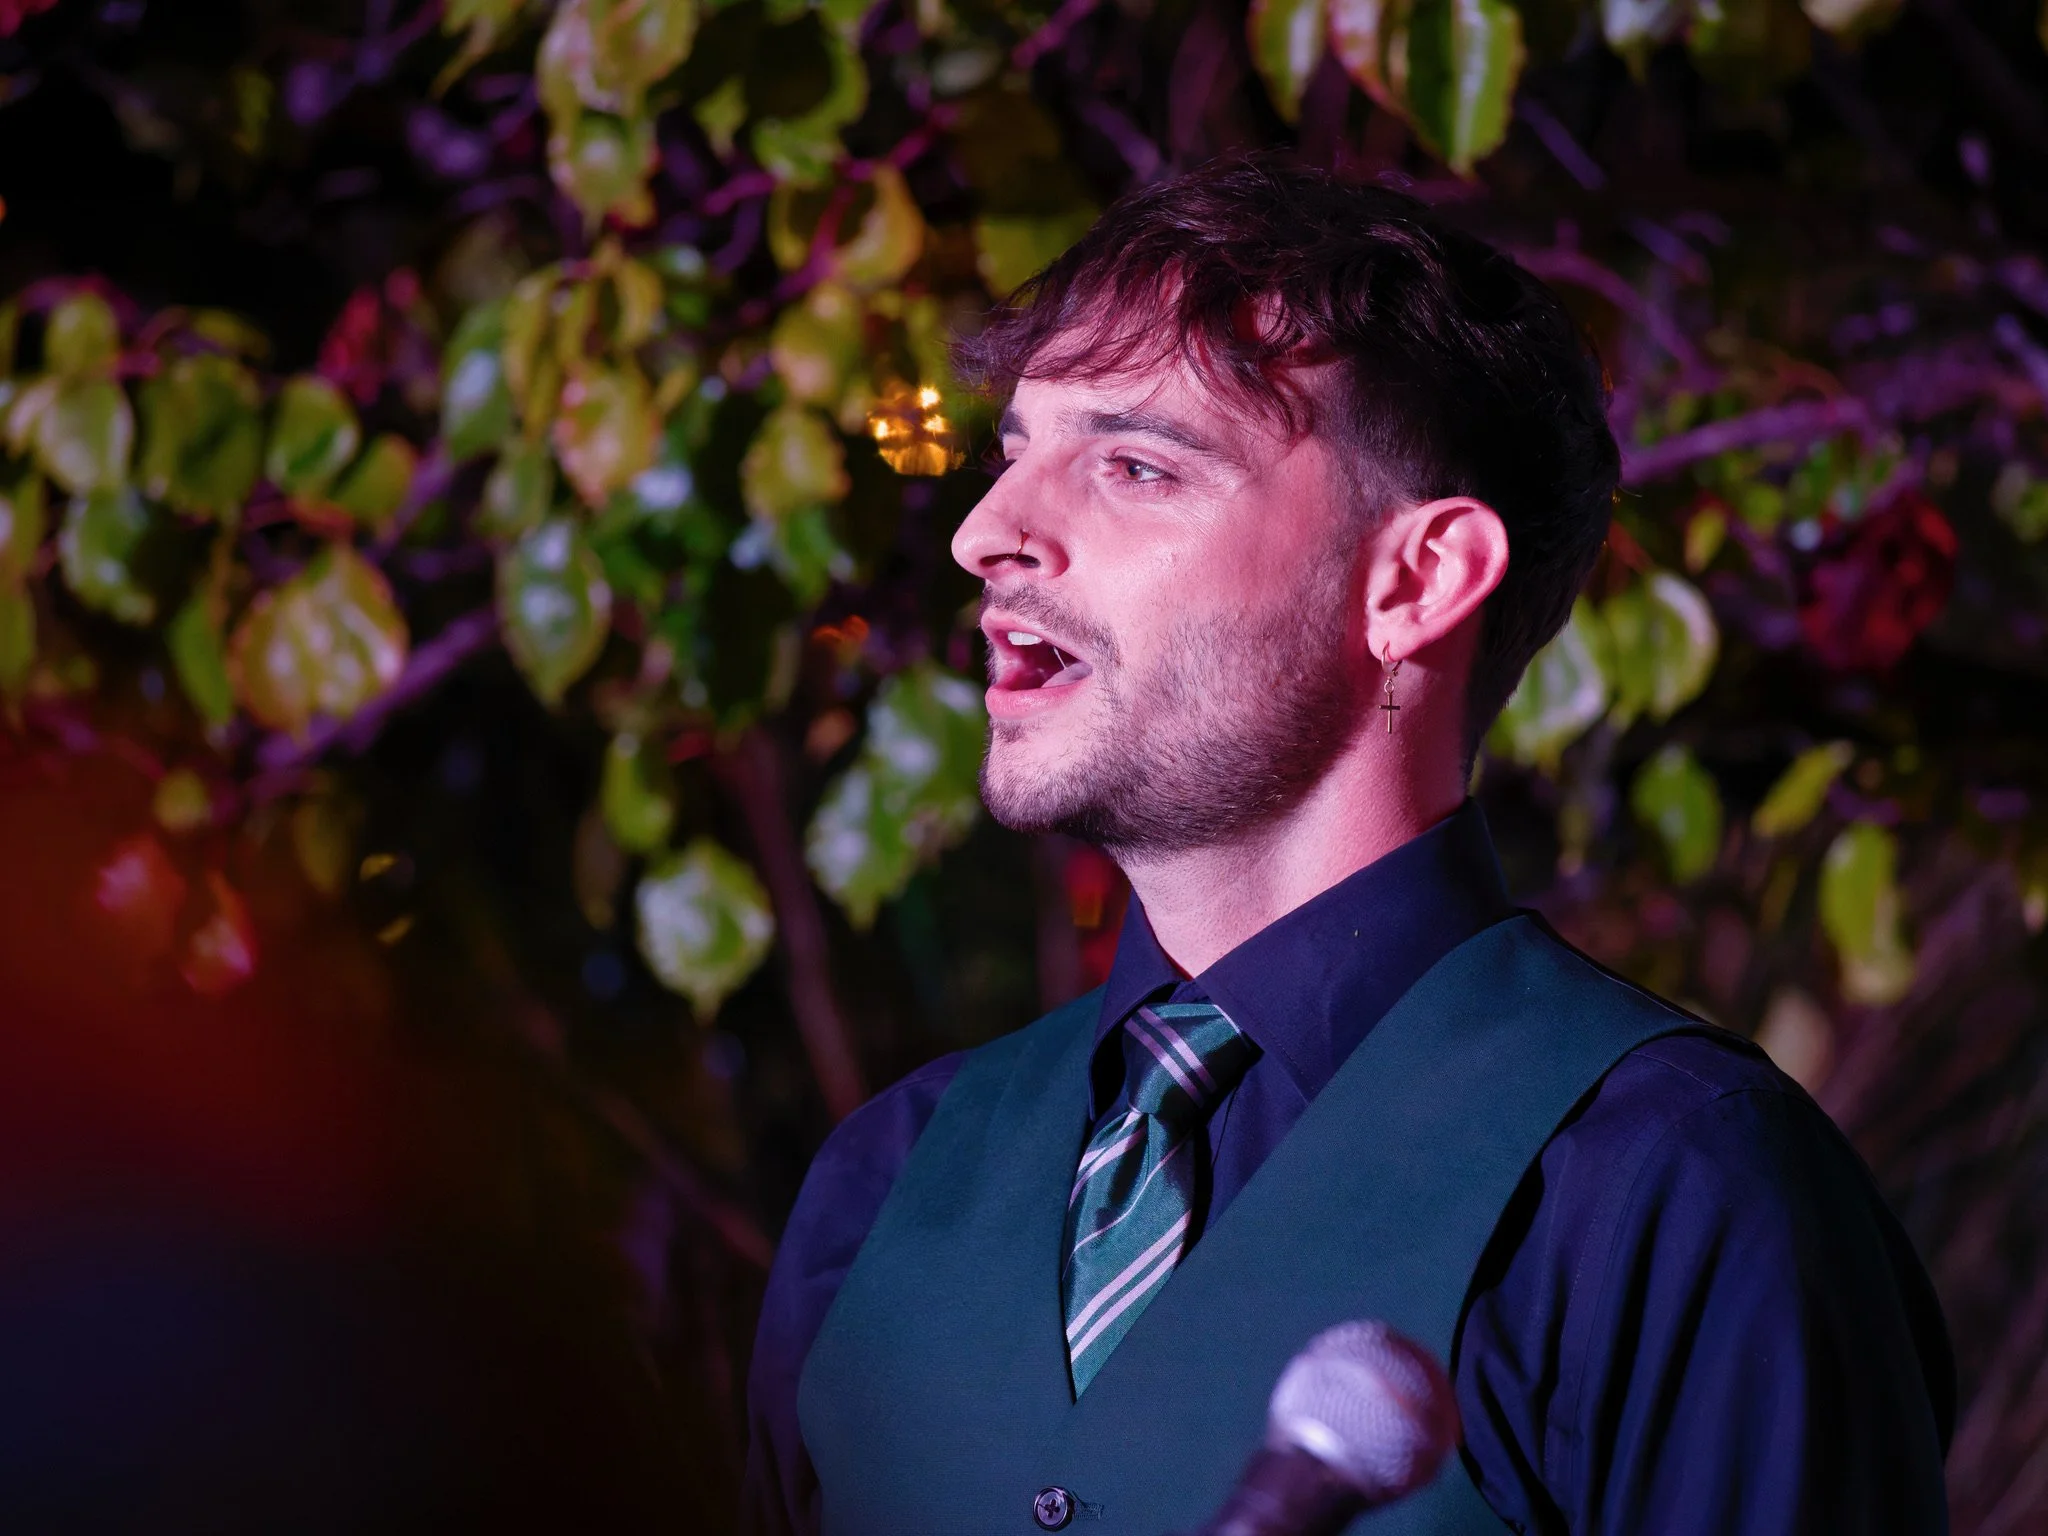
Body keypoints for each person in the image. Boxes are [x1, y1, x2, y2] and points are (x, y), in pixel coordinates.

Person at [744, 158, 1953, 1535]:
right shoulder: (887, 1178)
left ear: (1415, 581)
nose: (987, 533)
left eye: (1135, 465)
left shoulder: (1674, 1187)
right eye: (1016, 455)